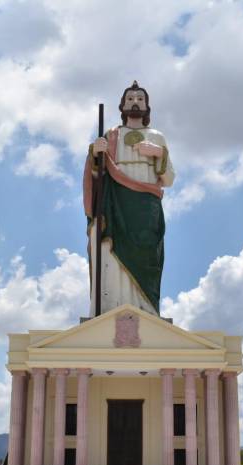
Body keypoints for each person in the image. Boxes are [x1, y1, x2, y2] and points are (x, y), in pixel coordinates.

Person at [83, 81, 175, 316]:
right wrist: (95, 154)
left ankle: (146, 310)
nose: (135, 102)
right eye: (131, 99)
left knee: (146, 256)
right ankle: (110, 307)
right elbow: (97, 174)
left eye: (140, 98)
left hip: (146, 206)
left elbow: (169, 179)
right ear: (122, 106)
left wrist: (158, 154)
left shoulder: (157, 137)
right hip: (116, 203)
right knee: (109, 247)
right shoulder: (112, 135)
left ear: (147, 106)